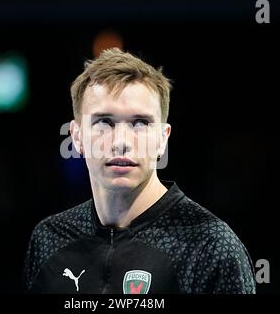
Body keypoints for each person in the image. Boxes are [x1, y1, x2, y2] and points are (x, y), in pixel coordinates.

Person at [23, 48, 256, 294]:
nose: (121, 141)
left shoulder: (210, 246)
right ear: (77, 136)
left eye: (140, 123)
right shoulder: (48, 239)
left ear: (162, 139)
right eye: (104, 121)